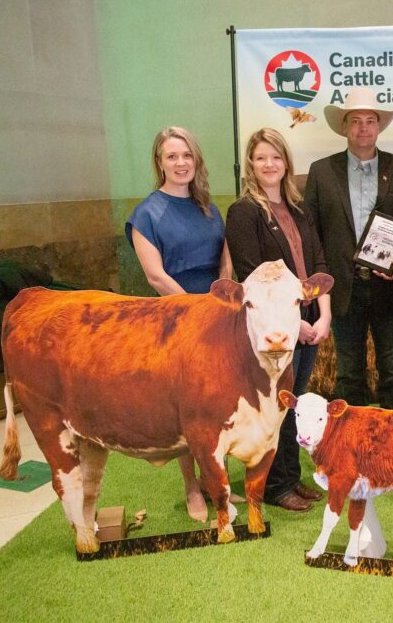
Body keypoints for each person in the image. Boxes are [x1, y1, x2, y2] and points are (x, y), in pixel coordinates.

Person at [126, 126, 232, 522]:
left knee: (218, 404)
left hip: (216, 310)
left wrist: (219, 300)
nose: (180, 162)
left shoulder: (210, 207)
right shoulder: (146, 213)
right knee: (190, 409)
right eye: (172, 156)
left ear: (196, 160)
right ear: (159, 162)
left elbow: (225, 259)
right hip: (177, 316)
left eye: (187, 155)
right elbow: (155, 276)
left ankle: (214, 480)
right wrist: (194, 310)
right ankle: (192, 488)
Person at [225, 128, 330, 513]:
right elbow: (253, 277)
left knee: (293, 403)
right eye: (261, 158)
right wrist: (293, 324)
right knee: (276, 407)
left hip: (307, 321)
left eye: (276, 157)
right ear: (250, 165)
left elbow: (318, 263)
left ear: (287, 163)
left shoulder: (297, 209)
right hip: (276, 328)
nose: (269, 164)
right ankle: (274, 485)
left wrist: (324, 316)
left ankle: (290, 476)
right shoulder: (244, 212)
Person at [305, 87, 393, 409]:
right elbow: (310, 232)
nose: (363, 127)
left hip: (391, 285)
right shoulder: (321, 171)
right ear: (344, 126)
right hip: (344, 289)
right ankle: (350, 453)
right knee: (349, 376)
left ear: (379, 126)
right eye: (355, 120)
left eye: (371, 120)